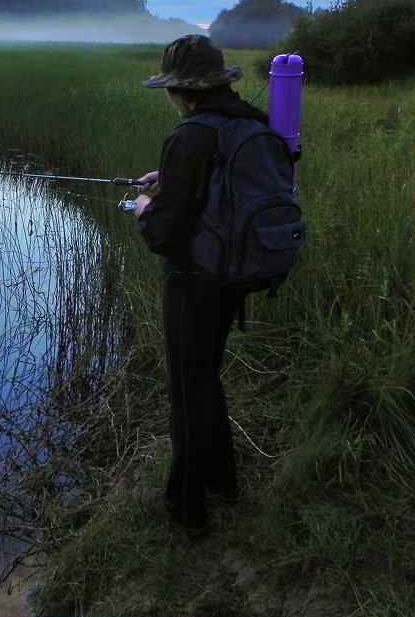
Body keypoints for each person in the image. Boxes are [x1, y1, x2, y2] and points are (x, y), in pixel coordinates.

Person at [128, 34, 270, 536]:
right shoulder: (250, 122)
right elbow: (217, 195)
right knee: (206, 376)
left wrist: (146, 208)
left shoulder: (189, 135)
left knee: (187, 393)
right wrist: (168, 181)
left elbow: (165, 235)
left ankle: (184, 510)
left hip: (193, 282)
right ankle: (223, 481)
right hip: (235, 275)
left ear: (183, 91)